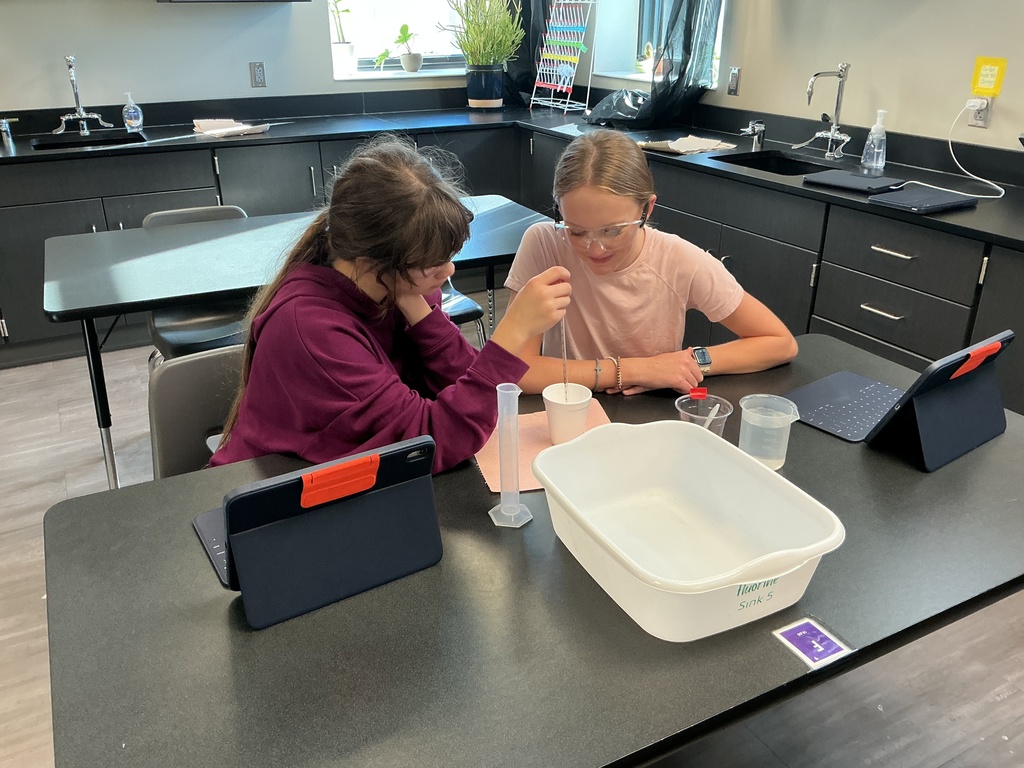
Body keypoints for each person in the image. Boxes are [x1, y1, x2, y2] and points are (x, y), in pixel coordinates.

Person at [211, 136, 570, 473]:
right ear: (371, 263)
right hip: (268, 494)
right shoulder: (310, 328)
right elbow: (428, 443)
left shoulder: (392, 286)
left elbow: (459, 384)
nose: (449, 271)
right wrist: (511, 335)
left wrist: (420, 313)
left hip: (341, 484)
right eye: (431, 264)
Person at [505, 129, 798, 395]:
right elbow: (514, 370)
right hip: (567, 411)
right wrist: (632, 370)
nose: (595, 249)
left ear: (647, 209)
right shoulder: (544, 244)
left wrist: (689, 362)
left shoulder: (679, 260)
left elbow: (779, 342)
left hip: (648, 417)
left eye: (612, 230)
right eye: (577, 231)